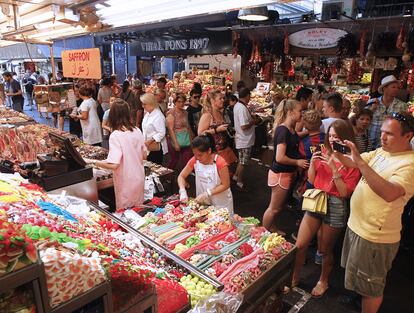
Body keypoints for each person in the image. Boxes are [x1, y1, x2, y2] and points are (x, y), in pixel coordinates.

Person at [335, 112, 414, 313]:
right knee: (358, 276)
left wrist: (360, 163)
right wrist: (336, 150)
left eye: (389, 134)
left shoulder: (409, 164)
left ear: (408, 136)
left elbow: (389, 193)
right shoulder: (382, 151)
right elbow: (354, 161)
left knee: (372, 286)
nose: (382, 137)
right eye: (381, 132)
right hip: (357, 226)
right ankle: (357, 299)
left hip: (375, 237)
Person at [291, 120, 361, 298]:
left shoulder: (354, 160)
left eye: (336, 137)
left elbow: (345, 193)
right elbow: (313, 181)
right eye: (330, 136)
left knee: (324, 250)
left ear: (346, 139)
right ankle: (293, 277)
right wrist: (313, 164)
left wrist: (334, 169)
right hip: (317, 198)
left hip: (336, 204)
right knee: (299, 245)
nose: (332, 140)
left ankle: (323, 280)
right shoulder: (323, 150)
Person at [84, 99, 147, 211]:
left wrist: (93, 162)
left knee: (126, 214)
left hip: (125, 181)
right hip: (139, 177)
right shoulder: (137, 130)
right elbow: (144, 156)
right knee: (139, 210)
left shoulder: (116, 135)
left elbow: (114, 165)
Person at [262, 99, 309, 235]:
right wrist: (297, 162)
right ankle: (262, 234)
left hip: (285, 174)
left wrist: (307, 132)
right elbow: (279, 157)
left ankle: (271, 227)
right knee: (274, 208)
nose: (302, 114)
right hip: (280, 175)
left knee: (278, 207)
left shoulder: (290, 128)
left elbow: (293, 137)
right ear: (290, 112)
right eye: (300, 111)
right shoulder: (283, 130)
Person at [178, 134, 233, 215]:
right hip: (203, 203)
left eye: (200, 155)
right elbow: (181, 176)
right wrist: (182, 191)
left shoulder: (220, 162)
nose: (197, 158)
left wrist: (208, 193)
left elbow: (226, 184)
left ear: (209, 151)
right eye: (194, 154)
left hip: (221, 203)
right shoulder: (194, 160)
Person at [367, 75, 408, 149]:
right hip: (370, 141)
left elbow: (404, 124)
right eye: (393, 87)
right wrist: (372, 109)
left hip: (389, 143)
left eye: (397, 88)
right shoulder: (372, 102)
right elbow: (363, 118)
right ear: (384, 88)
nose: (396, 89)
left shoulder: (402, 106)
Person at [198, 90, 238, 166]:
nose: (223, 100)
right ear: (213, 100)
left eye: (223, 98)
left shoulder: (221, 113)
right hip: (213, 153)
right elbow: (200, 133)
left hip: (224, 150)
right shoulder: (207, 115)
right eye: (220, 98)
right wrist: (217, 130)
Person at [233, 87, 258, 189]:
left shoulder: (238, 105)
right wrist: (253, 121)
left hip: (242, 138)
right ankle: (239, 180)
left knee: (241, 160)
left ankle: (235, 176)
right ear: (247, 95)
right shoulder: (242, 108)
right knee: (243, 162)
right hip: (244, 139)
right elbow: (244, 126)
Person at [166, 93, 193, 170]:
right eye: (179, 101)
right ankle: (168, 176)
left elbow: (188, 127)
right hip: (175, 138)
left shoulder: (185, 112)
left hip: (186, 138)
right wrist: (175, 143)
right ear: (175, 102)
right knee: (174, 160)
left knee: (187, 159)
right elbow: (170, 129)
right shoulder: (171, 113)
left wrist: (191, 139)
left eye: (183, 101)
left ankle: (184, 176)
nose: (181, 103)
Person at [141, 93, 168, 165]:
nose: (143, 106)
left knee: (154, 167)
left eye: (144, 104)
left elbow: (162, 132)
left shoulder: (158, 116)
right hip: (148, 146)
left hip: (156, 148)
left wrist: (150, 140)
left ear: (150, 103)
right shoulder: (148, 114)